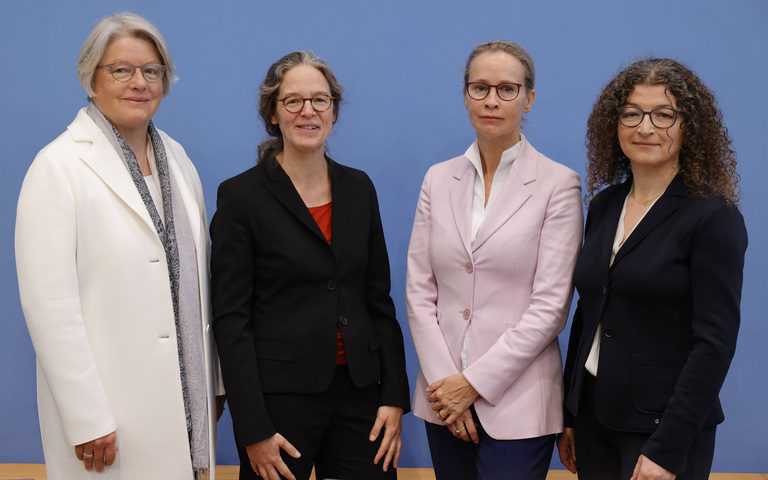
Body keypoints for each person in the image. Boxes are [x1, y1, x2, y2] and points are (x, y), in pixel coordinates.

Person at [15, 12, 224, 480]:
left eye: (151, 70)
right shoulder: (58, 166)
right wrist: (86, 417)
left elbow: (201, 285)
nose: (139, 83)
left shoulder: (178, 160)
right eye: (121, 70)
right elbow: (50, 307)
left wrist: (213, 380)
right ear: (91, 78)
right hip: (109, 418)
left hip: (184, 406)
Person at [210, 50, 410, 480]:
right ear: (273, 113)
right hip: (279, 400)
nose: (308, 111)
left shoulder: (359, 188)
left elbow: (378, 300)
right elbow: (231, 319)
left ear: (333, 111)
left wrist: (394, 395)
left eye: (320, 99)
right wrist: (253, 427)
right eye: (293, 101)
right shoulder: (241, 197)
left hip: (360, 393)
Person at [557, 58, 748, 480]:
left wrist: (668, 448)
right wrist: (569, 413)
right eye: (632, 113)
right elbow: (589, 313)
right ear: (615, 123)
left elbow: (714, 344)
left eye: (663, 115)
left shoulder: (712, 215)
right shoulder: (604, 205)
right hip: (593, 418)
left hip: (663, 430)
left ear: (688, 127)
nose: (645, 127)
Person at [405, 40, 583, 480]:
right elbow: (419, 292)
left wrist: (472, 385)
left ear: (529, 99)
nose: (491, 100)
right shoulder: (438, 179)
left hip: (519, 401)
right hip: (442, 398)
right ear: (465, 95)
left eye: (507, 89)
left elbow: (551, 307)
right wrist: (447, 387)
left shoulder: (558, 185)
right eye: (480, 88)